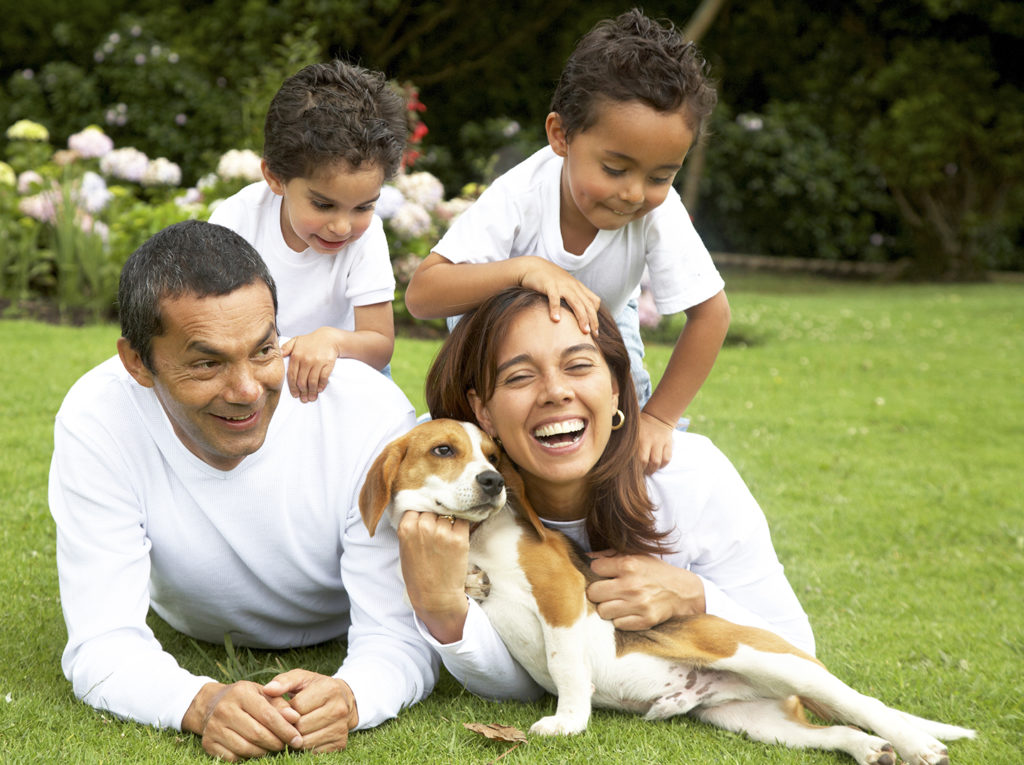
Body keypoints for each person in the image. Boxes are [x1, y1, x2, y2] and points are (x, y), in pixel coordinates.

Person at [48, 220, 455, 761]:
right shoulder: (97, 417)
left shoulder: (366, 413)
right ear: (137, 363)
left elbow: (401, 634)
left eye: (264, 351)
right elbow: (102, 642)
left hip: (336, 616)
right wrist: (198, 701)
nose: (246, 391)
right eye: (207, 363)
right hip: (193, 624)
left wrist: (353, 695)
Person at [397, 288, 813, 701]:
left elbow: (798, 654)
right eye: (520, 376)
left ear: (616, 386)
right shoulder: (438, 485)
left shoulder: (690, 475)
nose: (555, 392)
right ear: (483, 410)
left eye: (578, 366)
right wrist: (443, 609)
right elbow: (523, 684)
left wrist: (695, 595)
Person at [404, 9, 731, 475]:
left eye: (661, 175)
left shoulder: (659, 210)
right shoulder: (520, 196)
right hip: (495, 355)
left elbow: (711, 314)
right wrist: (526, 271)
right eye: (615, 169)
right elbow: (423, 295)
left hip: (600, 333)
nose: (635, 193)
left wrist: (658, 418)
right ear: (561, 135)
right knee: (474, 469)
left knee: (630, 461)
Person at [209, 60, 405, 403]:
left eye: (364, 207)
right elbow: (211, 317)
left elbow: (378, 345)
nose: (343, 226)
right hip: (255, 367)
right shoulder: (236, 221)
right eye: (323, 205)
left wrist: (332, 340)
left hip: (345, 366)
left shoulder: (367, 237)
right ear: (275, 178)